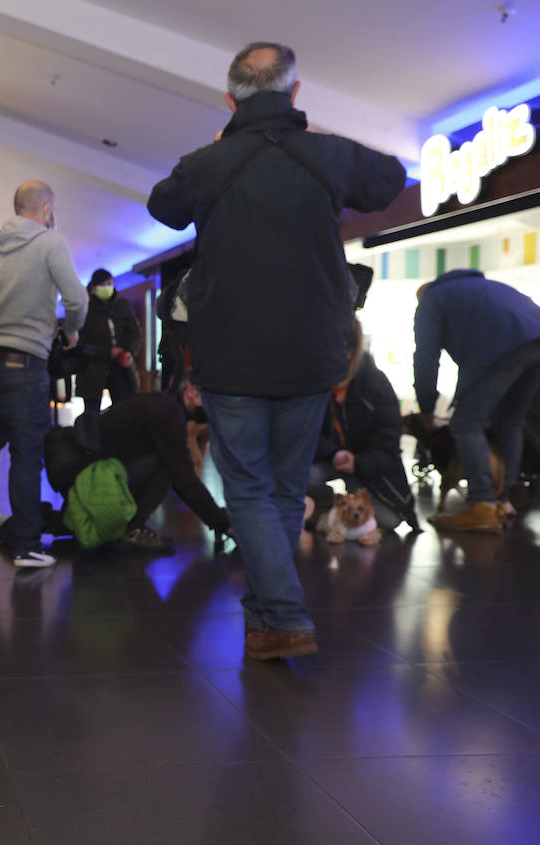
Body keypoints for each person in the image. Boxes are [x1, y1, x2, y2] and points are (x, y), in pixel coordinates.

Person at [146, 41, 405, 660]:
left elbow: (162, 205)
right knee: (286, 489)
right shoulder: (326, 154)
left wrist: (215, 150)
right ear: (294, 94)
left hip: (232, 354)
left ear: (230, 98)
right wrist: (318, 138)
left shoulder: (212, 162)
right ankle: (265, 615)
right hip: (314, 353)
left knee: (251, 490)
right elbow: (392, 178)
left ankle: (283, 614)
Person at [0, 180, 87, 568]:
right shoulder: (51, 242)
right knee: (27, 454)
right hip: (26, 365)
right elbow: (76, 299)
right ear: (46, 207)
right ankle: (27, 545)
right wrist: (74, 329)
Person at [414, 269, 540, 532]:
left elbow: (426, 357)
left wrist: (426, 407)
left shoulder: (432, 298)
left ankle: (482, 503)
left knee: (464, 423)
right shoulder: (482, 289)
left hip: (503, 346)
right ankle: (500, 501)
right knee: (510, 423)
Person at [308, 319, 420, 533]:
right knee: (297, 479)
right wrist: (334, 453)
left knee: (388, 520)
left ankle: (332, 512)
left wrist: (357, 463)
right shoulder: (313, 385)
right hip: (328, 460)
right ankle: (331, 507)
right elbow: (305, 434)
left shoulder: (375, 384)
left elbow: (388, 444)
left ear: (348, 352)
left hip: (366, 468)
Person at [96, 377, 231, 550]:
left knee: (170, 465)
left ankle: (130, 526)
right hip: (102, 479)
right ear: (191, 391)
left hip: (102, 471)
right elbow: (184, 479)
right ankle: (132, 529)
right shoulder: (170, 414)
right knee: (167, 467)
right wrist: (223, 523)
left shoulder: (166, 405)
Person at [75, 268, 142, 449]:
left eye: (110, 284)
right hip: (93, 370)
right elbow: (80, 344)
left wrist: (129, 351)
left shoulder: (122, 306)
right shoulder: (85, 309)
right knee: (91, 415)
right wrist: (106, 352)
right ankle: (92, 452)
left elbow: (135, 334)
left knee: (124, 412)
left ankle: (122, 450)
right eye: (103, 285)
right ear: (94, 287)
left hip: (121, 366)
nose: (108, 287)